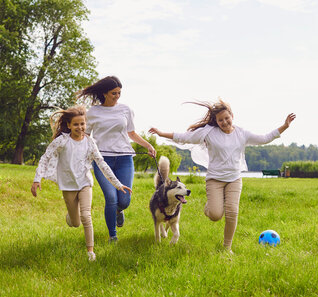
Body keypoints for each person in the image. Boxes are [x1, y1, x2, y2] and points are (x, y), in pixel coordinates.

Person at [149, 99, 295, 253]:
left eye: (227, 118)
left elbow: (265, 138)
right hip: (215, 180)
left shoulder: (242, 133)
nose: (224, 122)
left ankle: (227, 248)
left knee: (232, 212)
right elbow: (184, 137)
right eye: (220, 120)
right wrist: (160, 133)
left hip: (234, 179)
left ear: (232, 115)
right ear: (216, 121)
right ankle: (210, 206)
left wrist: (285, 126)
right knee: (215, 215)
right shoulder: (209, 133)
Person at [31, 105, 132, 261]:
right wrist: (37, 179)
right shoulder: (62, 141)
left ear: (86, 124)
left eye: (82, 124)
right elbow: (45, 158)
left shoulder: (90, 142)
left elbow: (101, 163)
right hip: (68, 185)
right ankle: (71, 216)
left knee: (86, 216)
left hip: (85, 183)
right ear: (69, 125)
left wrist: (117, 184)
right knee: (75, 222)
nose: (80, 127)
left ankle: (90, 252)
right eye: (76, 124)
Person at [76, 76, 156, 243]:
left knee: (124, 200)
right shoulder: (93, 112)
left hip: (124, 159)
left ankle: (119, 211)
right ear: (104, 93)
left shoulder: (126, 110)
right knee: (111, 198)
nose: (117, 96)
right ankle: (113, 236)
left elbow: (131, 133)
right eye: (114, 93)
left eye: (119, 93)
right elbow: (86, 135)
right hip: (102, 161)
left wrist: (148, 145)